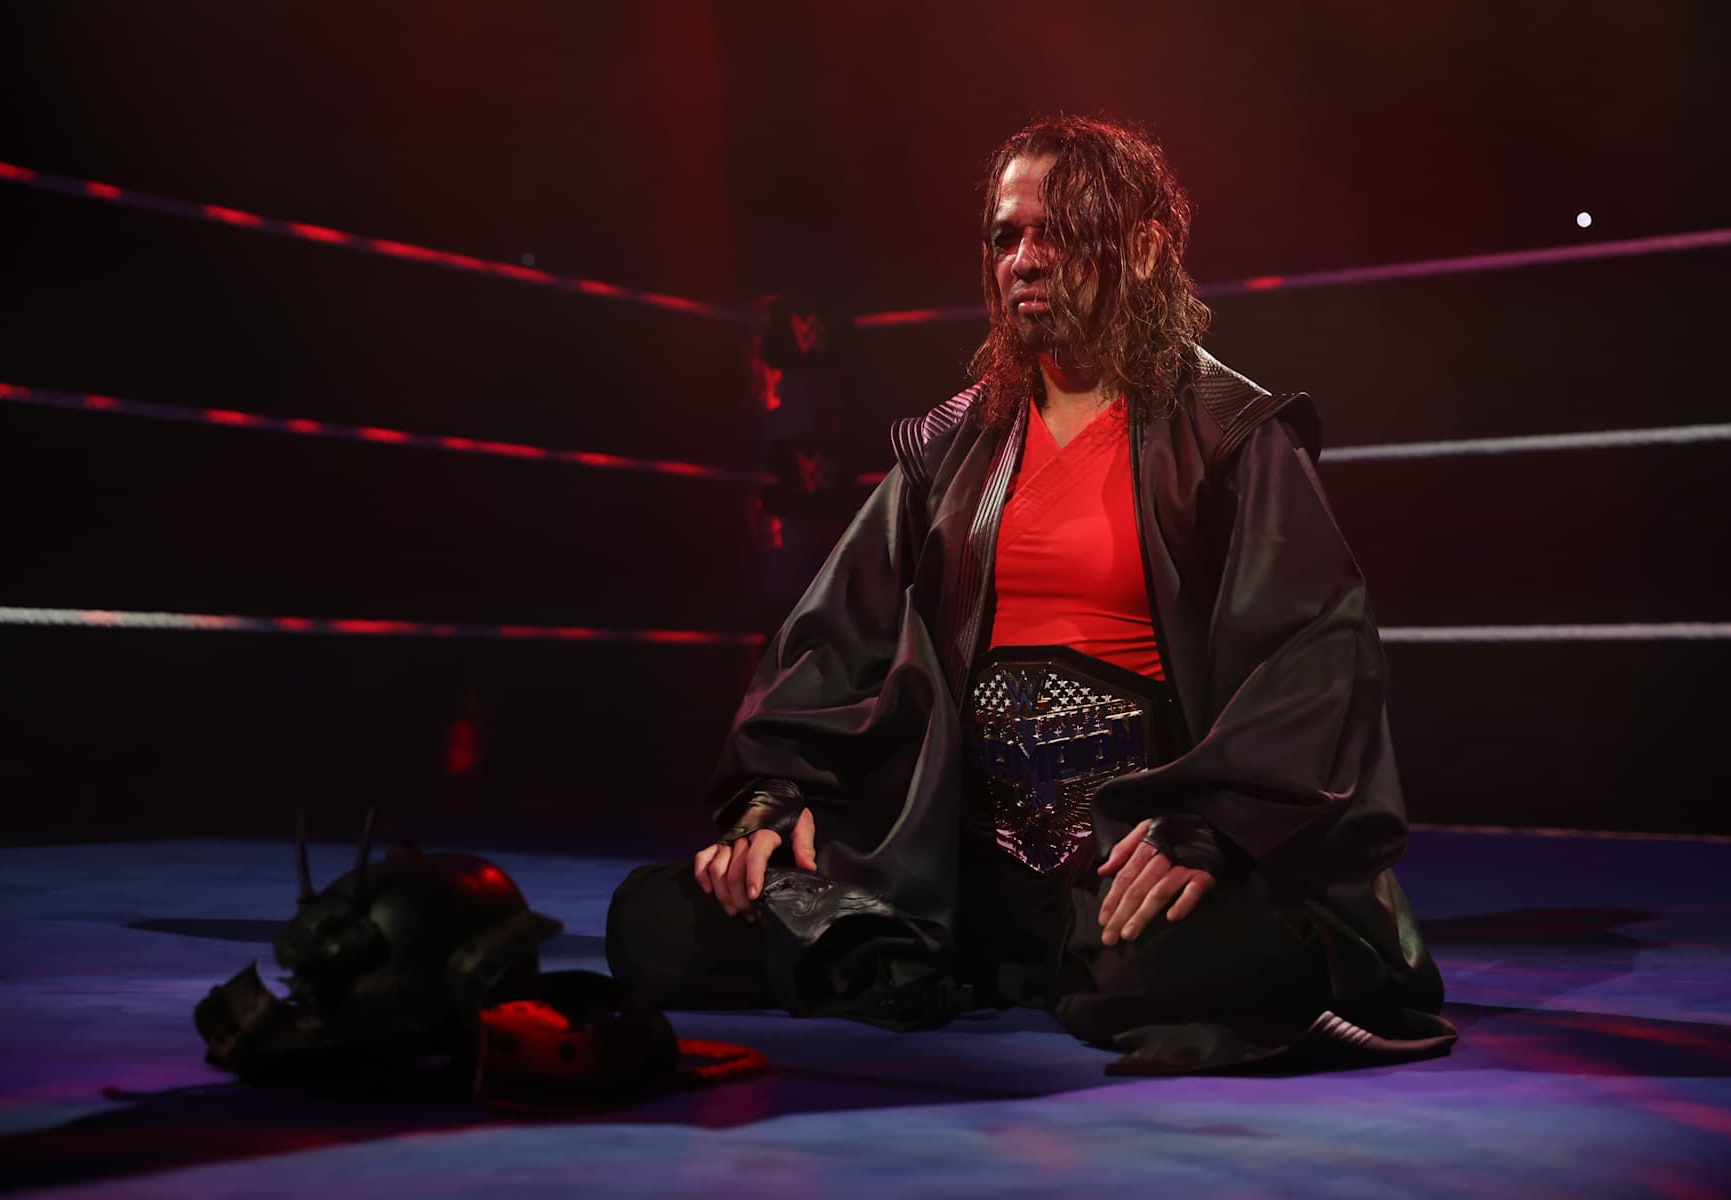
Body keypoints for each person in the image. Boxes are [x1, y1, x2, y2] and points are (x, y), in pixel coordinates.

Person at [606, 116, 1455, 1073]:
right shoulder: (951, 446)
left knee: (1179, 960)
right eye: (1007, 236)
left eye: (1058, 231)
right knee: (659, 923)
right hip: (960, 860)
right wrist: (773, 800)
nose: (1025, 259)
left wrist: (1213, 828)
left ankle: (1043, 953)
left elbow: (1317, 655)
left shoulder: (1230, 437)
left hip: (1135, 851)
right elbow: (831, 637)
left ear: (1140, 246)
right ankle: (979, 949)